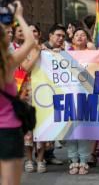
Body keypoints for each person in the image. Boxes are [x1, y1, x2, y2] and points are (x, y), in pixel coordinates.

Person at [0, 0, 35, 185]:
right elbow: (30, 41)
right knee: (10, 182)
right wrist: (19, 16)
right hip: (9, 130)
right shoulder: (8, 63)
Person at [66, 28, 94, 175]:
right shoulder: (64, 53)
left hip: (86, 96)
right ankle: (73, 160)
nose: (79, 37)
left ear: (87, 39)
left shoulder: (93, 55)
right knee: (70, 128)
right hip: (68, 96)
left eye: (83, 35)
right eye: (76, 35)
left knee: (83, 129)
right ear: (72, 39)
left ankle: (83, 161)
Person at [41, 24, 66, 167]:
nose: (61, 38)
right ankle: (40, 157)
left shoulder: (64, 50)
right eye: (58, 35)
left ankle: (49, 155)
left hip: (57, 92)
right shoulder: (41, 48)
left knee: (53, 124)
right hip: (43, 92)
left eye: (63, 36)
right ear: (50, 35)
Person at [21, 24, 45, 174]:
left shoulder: (46, 49)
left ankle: (41, 160)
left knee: (43, 126)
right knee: (28, 128)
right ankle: (29, 160)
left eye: (35, 31)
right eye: (28, 31)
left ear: (39, 33)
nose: (32, 33)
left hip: (44, 92)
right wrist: (37, 52)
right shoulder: (21, 51)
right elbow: (26, 67)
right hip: (27, 92)